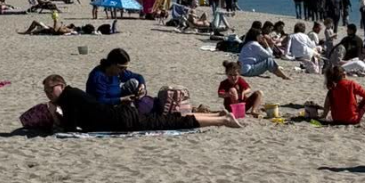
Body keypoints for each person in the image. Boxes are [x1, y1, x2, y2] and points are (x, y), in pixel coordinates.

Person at [43, 75, 241, 132]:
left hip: (122, 120)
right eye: (46, 92)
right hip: (121, 115)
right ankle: (220, 116)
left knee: (172, 122)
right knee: (171, 119)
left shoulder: (68, 97)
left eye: (51, 90)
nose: (49, 94)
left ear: (60, 85)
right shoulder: (72, 94)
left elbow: (69, 126)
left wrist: (54, 114)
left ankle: (221, 121)